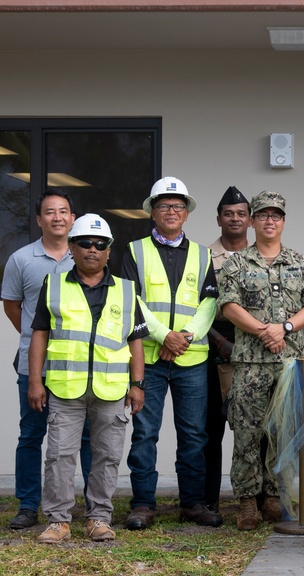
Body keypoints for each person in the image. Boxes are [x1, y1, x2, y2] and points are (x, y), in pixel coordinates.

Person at [28, 215, 147, 543]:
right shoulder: (53, 287)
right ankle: (58, 521)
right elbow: (39, 335)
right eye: (84, 243)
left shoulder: (126, 290)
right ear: (71, 248)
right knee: (59, 455)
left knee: (107, 456)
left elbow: (135, 340)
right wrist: (35, 381)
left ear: (109, 251)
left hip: (111, 390)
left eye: (100, 244)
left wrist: (137, 384)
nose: (92, 249)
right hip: (65, 388)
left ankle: (99, 518)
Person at [217, 190, 304, 530]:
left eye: (276, 215)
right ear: (252, 220)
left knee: (285, 432)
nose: (269, 221)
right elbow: (229, 306)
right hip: (250, 363)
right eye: (262, 215)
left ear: (283, 222)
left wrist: (285, 328)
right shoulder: (236, 263)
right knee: (247, 433)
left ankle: (275, 496)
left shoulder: (301, 262)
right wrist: (266, 331)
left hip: (290, 363)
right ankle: (247, 501)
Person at [121, 176, 222, 529]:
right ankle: (143, 504)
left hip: (191, 359)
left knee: (194, 433)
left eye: (178, 206)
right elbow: (131, 300)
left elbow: (209, 302)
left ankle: (193, 503)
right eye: (164, 205)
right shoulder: (134, 251)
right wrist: (165, 336)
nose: (171, 211)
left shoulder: (203, 254)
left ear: (187, 214)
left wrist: (185, 338)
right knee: (145, 433)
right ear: (152, 212)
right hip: (148, 357)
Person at [2, 188, 92, 529]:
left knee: (84, 435)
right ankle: (28, 504)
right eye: (50, 212)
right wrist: (36, 337)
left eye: (64, 211)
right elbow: (12, 306)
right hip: (34, 365)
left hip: (78, 364)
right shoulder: (21, 259)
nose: (57, 217)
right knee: (32, 434)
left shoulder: (86, 254)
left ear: (73, 218)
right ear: (39, 219)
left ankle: (89, 504)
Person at [204, 185, 250, 513]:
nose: (234, 218)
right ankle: (207, 498)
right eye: (228, 214)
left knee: (255, 426)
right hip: (211, 343)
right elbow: (195, 307)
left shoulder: (264, 256)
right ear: (218, 218)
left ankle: (257, 497)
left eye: (241, 214)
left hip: (254, 346)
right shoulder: (202, 257)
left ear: (250, 220)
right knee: (210, 427)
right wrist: (218, 341)